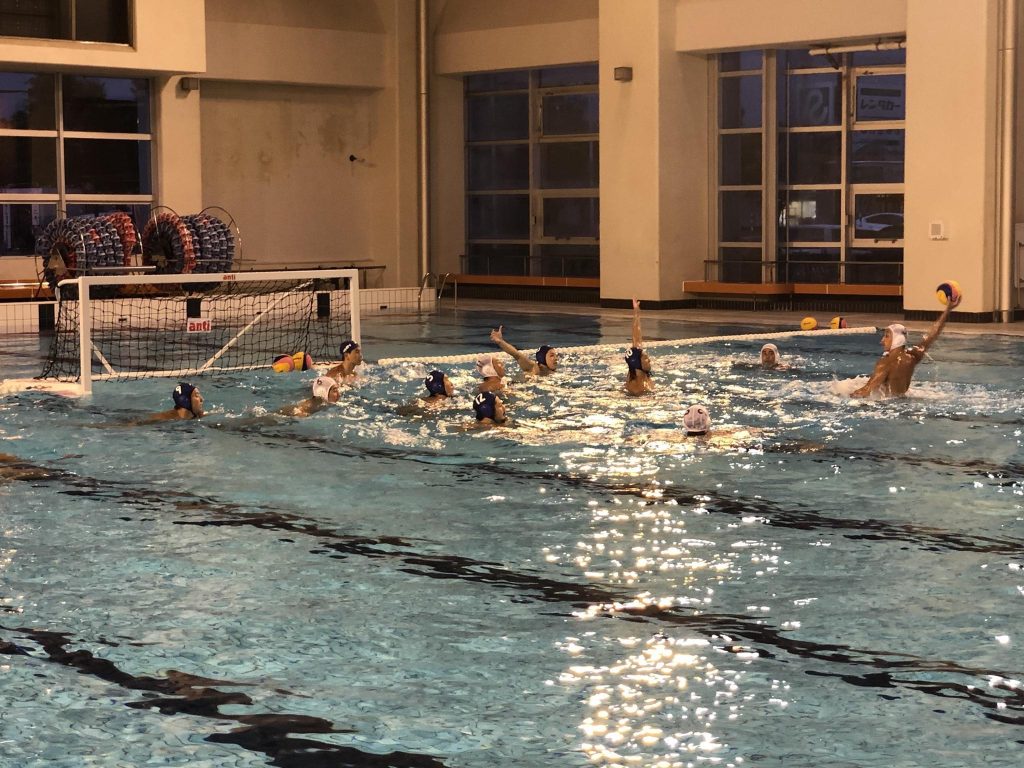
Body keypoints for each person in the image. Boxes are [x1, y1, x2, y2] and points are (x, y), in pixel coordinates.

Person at [850, 294, 960, 398]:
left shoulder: (885, 363)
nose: (882, 341)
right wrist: (948, 310)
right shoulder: (912, 356)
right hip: (903, 400)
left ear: (896, 338)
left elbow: (866, 391)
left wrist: (845, 394)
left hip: (887, 405)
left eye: (886, 336)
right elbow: (932, 335)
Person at [489, 326, 557, 375]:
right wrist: (500, 342)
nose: (556, 358)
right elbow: (516, 355)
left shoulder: (554, 373)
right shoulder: (532, 367)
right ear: (542, 358)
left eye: (556, 355)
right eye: (551, 355)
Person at [624, 297, 653, 396]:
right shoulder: (637, 389)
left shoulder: (638, 372)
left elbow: (636, 339)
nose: (649, 360)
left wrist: (636, 312)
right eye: (645, 358)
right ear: (637, 363)